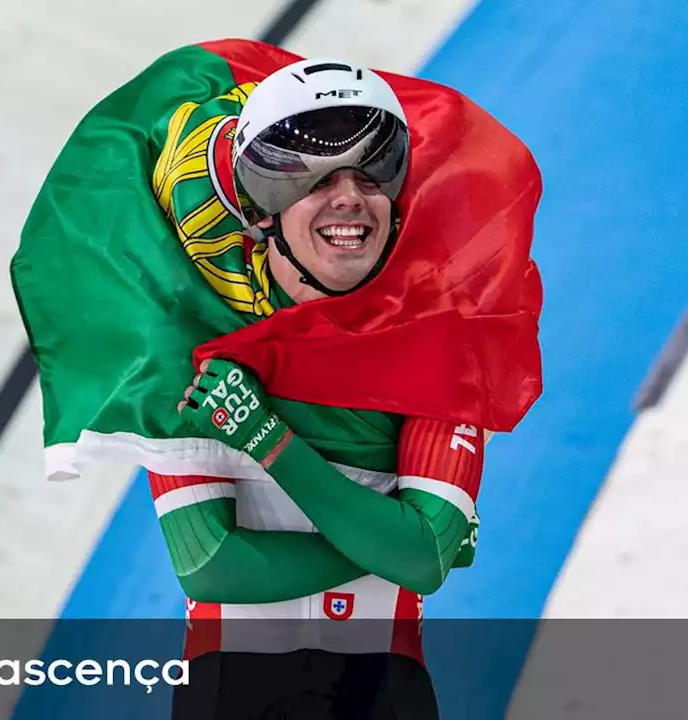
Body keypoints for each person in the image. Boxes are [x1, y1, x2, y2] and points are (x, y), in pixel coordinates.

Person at [149, 57, 485, 720]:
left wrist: (267, 441)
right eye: (314, 176)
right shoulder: (195, 340)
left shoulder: (443, 341)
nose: (348, 198)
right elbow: (210, 564)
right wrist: (396, 542)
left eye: (371, 172)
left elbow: (419, 559)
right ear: (259, 206)